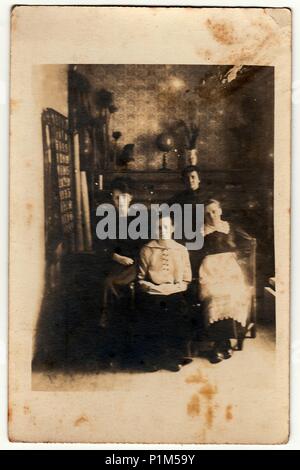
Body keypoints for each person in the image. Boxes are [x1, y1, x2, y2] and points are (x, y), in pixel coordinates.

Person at [136, 214, 192, 372]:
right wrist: (154, 288)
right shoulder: (147, 249)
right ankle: (154, 357)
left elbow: (186, 278)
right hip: (153, 292)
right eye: (159, 227)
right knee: (153, 314)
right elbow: (140, 279)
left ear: (173, 229)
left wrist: (174, 288)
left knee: (177, 311)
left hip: (175, 291)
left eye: (166, 227)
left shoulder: (181, 249)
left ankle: (173, 357)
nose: (162, 231)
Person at [198, 199, 252, 363]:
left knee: (231, 294)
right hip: (210, 271)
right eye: (207, 213)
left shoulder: (230, 227)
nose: (211, 215)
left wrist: (237, 257)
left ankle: (222, 344)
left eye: (214, 211)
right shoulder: (200, 231)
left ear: (220, 211)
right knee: (214, 296)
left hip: (230, 271)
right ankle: (222, 344)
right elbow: (192, 253)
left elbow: (249, 244)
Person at [169, 165, 205, 278]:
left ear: (199, 179)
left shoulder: (207, 197)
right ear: (183, 181)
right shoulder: (178, 198)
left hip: (203, 235)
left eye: (193, 177)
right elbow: (166, 213)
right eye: (187, 178)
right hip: (183, 236)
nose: (190, 180)